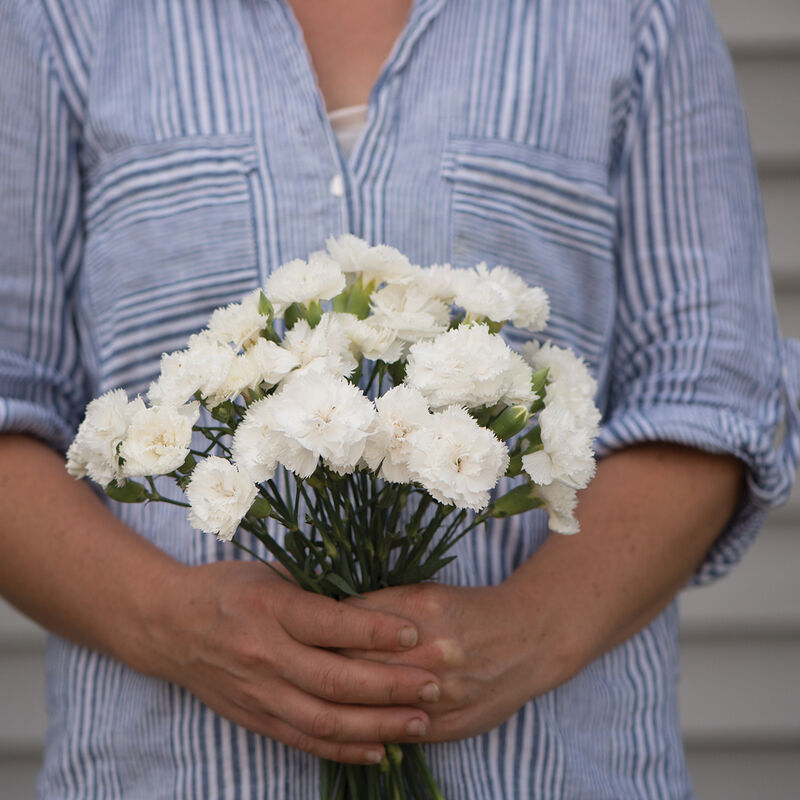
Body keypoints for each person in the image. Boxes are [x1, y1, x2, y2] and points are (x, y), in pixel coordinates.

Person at [1, 0, 797, 797]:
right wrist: (172, 623)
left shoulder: (636, 16)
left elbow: (713, 394)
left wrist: (533, 627)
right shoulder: (61, 20)